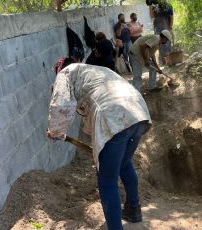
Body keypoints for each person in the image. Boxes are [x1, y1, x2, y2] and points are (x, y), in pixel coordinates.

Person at [46, 60, 152, 229]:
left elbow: (61, 104)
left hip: (113, 116)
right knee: (124, 164)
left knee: (107, 181)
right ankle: (133, 209)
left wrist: (56, 131)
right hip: (138, 112)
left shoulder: (65, 73)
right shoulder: (97, 70)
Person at [148, 0, 174, 64]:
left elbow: (171, 17)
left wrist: (170, 28)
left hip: (166, 27)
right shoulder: (155, 7)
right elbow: (152, 16)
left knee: (167, 44)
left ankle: (169, 61)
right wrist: (150, 6)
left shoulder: (168, 6)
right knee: (159, 44)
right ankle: (163, 61)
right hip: (157, 28)